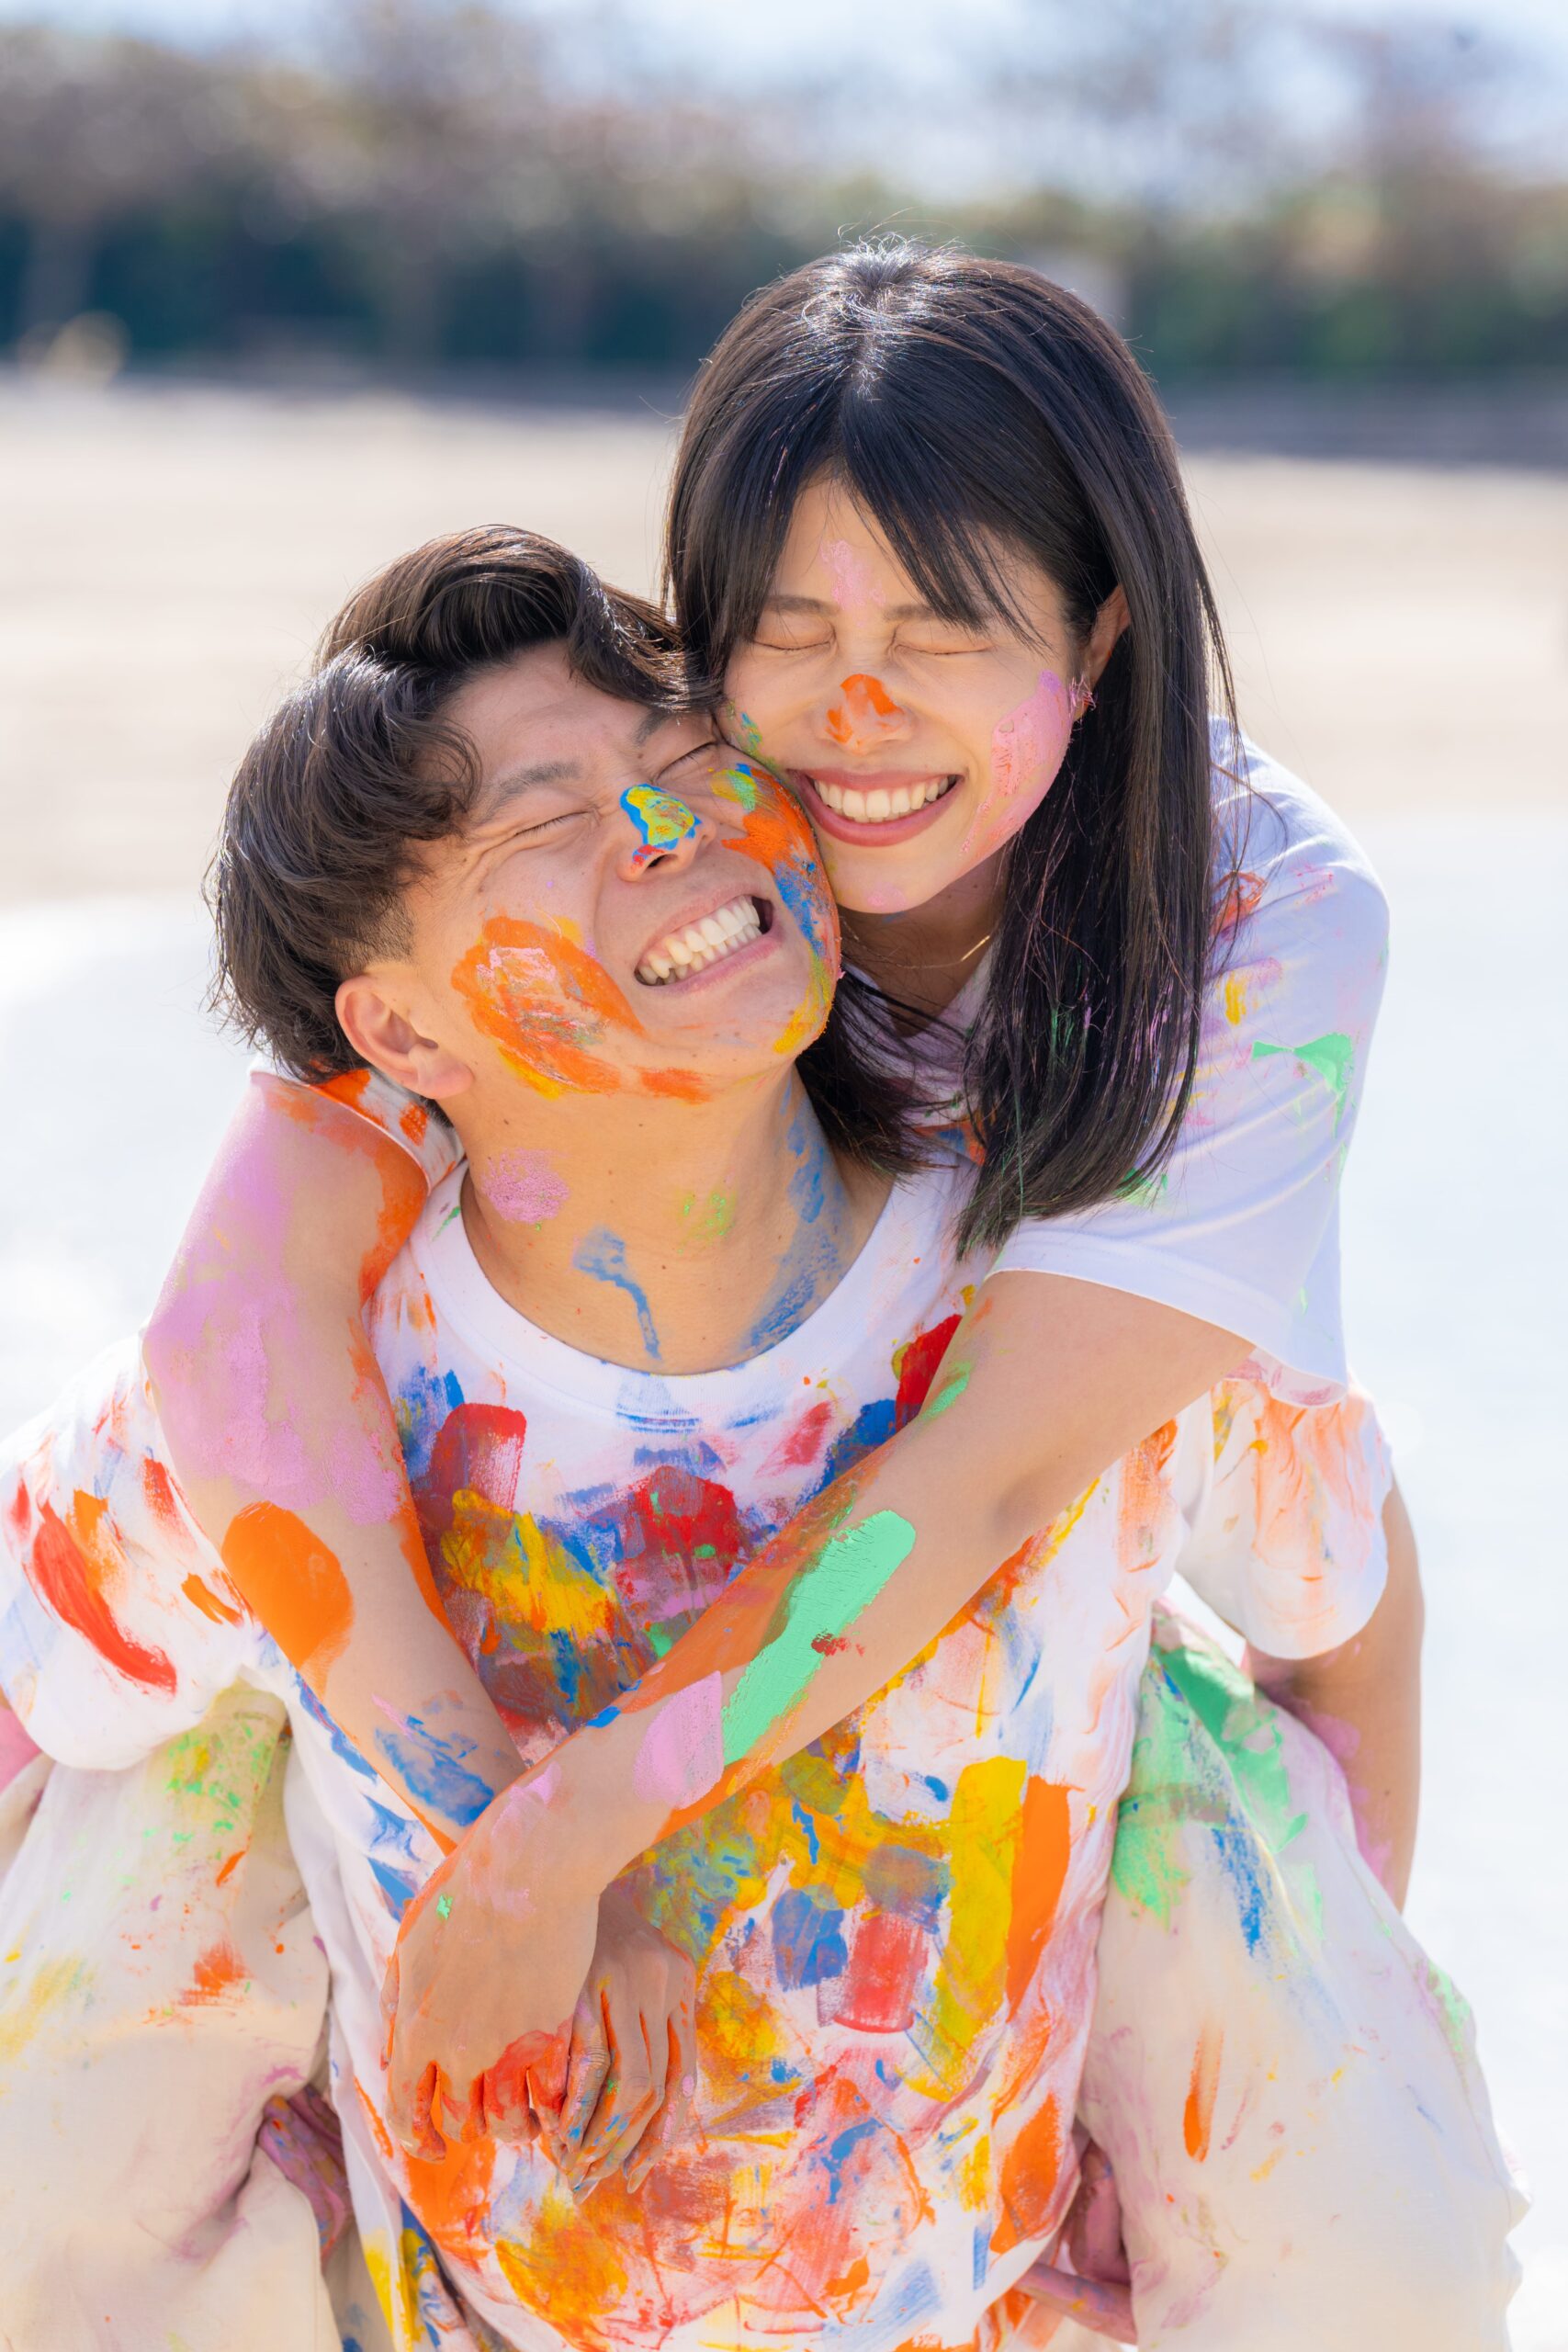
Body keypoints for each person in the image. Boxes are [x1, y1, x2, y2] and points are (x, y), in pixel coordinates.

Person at [0, 530, 1518, 2352]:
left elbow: (1340, 1616)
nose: (661, 831)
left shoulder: (1059, 1325)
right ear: (397, 1026)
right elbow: (34, 1699)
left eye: (675, 766)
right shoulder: (289, 1403)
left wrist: (1298, 2086)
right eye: (545, 819)